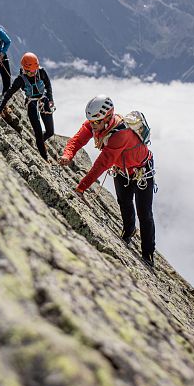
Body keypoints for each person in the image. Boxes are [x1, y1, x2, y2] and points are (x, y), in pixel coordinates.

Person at [58, 95, 156, 268]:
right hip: (122, 170)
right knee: (124, 202)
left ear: (109, 117)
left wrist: (81, 188)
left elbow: (102, 164)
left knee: (144, 214)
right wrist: (68, 154)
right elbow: (77, 140)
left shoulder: (121, 134)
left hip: (142, 172)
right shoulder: (95, 123)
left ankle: (148, 254)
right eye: (91, 122)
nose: (92, 126)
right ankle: (128, 232)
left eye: (96, 122)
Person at [0, 52, 55, 161]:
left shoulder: (41, 72)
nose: (33, 73)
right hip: (31, 104)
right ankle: (45, 158)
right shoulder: (20, 80)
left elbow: (48, 84)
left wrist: (50, 98)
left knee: (50, 132)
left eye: (34, 70)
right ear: (24, 68)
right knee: (38, 132)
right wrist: (0, 107)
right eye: (30, 71)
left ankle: (40, 143)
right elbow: (9, 93)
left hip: (43, 101)